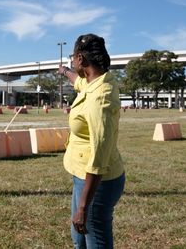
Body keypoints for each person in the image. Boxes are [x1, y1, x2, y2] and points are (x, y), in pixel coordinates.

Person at [58, 33, 125, 249]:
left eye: (72, 59)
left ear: (80, 58)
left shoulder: (100, 97)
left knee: (94, 238)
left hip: (97, 182)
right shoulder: (95, 81)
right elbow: (79, 83)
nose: (71, 62)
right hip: (83, 177)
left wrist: (84, 207)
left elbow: (100, 154)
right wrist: (65, 72)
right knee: (79, 239)